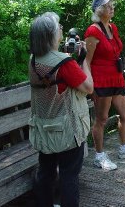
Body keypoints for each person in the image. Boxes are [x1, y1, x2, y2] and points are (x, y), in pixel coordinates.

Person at [28, 11, 93, 207]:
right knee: (69, 176)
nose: (62, 31)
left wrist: (69, 59)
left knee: (46, 173)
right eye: (59, 29)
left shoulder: (33, 60)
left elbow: (53, 71)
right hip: (67, 131)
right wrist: (84, 61)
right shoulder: (65, 63)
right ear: (51, 35)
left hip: (44, 130)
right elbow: (89, 88)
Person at [84, 0, 125, 171]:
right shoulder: (92, 32)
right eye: (107, 6)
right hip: (101, 79)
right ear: (98, 10)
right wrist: (88, 83)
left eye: (112, 5)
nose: (112, 8)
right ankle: (99, 156)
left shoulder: (112, 28)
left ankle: (124, 148)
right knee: (101, 119)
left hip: (116, 77)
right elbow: (87, 61)